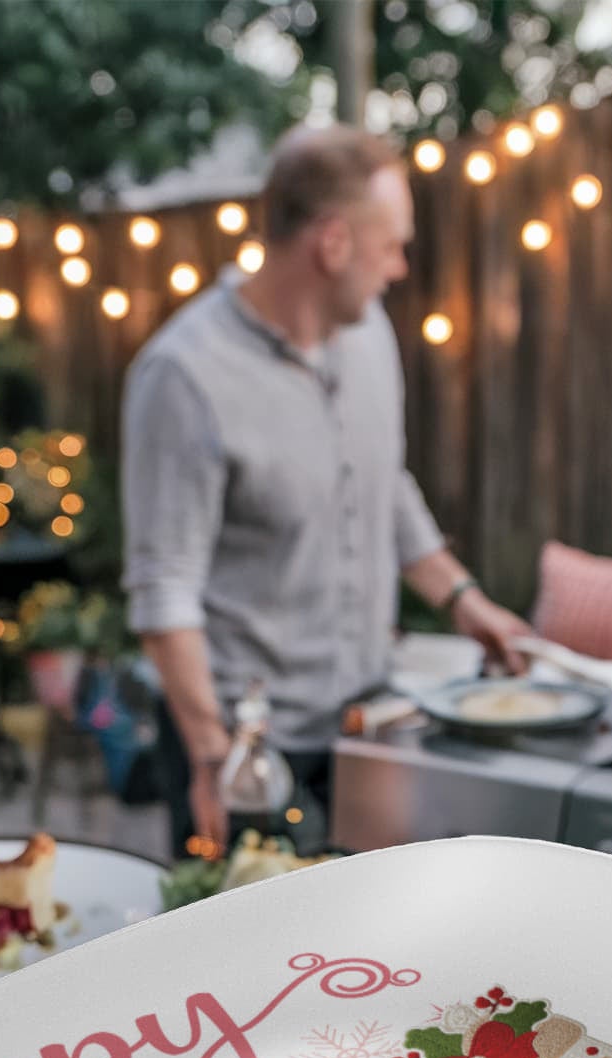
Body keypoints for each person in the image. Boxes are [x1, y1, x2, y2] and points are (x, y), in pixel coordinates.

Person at [121, 123, 531, 857]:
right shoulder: (185, 376)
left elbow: (384, 480)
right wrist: (214, 760)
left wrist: (464, 599)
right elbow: (164, 592)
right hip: (246, 753)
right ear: (332, 243)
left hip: (362, 732)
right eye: (391, 245)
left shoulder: (370, 333)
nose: (401, 267)